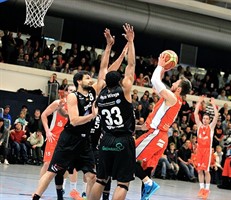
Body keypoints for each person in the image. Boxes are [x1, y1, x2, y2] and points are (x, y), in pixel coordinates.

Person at [32, 28, 109, 199]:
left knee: (92, 176)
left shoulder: (92, 92)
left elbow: (103, 69)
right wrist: (92, 116)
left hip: (84, 141)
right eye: (88, 78)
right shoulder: (73, 97)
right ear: (79, 81)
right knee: (52, 171)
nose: (91, 79)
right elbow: (73, 120)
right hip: (69, 138)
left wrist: (109, 46)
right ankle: (35, 196)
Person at [135, 53, 192, 200]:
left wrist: (160, 64)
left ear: (178, 89)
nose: (172, 83)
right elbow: (157, 81)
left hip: (156, 135)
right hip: (161, 136)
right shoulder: (174, 99)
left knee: (128, 156)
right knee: (146, 168)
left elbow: (155, 80)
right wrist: (163, 69)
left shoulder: (172, 97)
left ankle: (148, 183)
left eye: (176, 83)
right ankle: (144, 196)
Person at [89, 23, 136, 200]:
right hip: (123, 140)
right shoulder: (124, 90)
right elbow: (131, 65)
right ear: (120, 81)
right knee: (123, 183)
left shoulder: (100, 92)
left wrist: (109, 46)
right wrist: (130, 42)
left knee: (100, 180)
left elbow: (103, 69)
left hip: (106, 139)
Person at [39, 84, 79, 199]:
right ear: (66, 92)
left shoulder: (77, 106)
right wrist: (47, 131)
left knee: (69, 166)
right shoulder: (58, 103)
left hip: (68, 139)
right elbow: (44, 115)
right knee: (47, 164)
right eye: (70, 90)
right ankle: (39, 189)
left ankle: (71, 190)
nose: (72, 92)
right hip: (54, 137)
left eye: (74, 91)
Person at [193, 95, 218, 199]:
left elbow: (216, 116)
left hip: (207, 151)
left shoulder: (211, 127)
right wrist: (199, 102)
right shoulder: (199, 126)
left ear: (209, 120)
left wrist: (213, 104)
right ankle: (201, 189)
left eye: (207, 119)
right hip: (199, 150)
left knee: (206, 171)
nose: (205, 120)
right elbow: (195, 113)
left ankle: (207, 190)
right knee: (199, 170)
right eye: (204, 118)